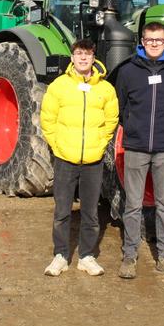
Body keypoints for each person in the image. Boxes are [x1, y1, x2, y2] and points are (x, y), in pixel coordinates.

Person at [40, 39, 119, 277]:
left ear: (94, 57)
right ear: (72, 57)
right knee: (62, 211)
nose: (83, 58)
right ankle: (61, 255)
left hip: (93, 161)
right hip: (65, 158)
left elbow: (111, 120)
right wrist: (58, 146)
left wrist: (99, 144)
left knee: (91, 213)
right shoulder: (58, 86)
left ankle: (86, 256)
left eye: (87, 54)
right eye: (79, 54)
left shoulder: (105, 89)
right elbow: (48, 119)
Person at [115, 22, 164, 279]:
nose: (154, 43)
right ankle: (129, 256)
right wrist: (134, 128)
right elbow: (122, 107)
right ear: (142, 42)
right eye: (149, 39)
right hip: (136, 147)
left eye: (158, 39)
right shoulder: (128, 71)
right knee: (132, 204)